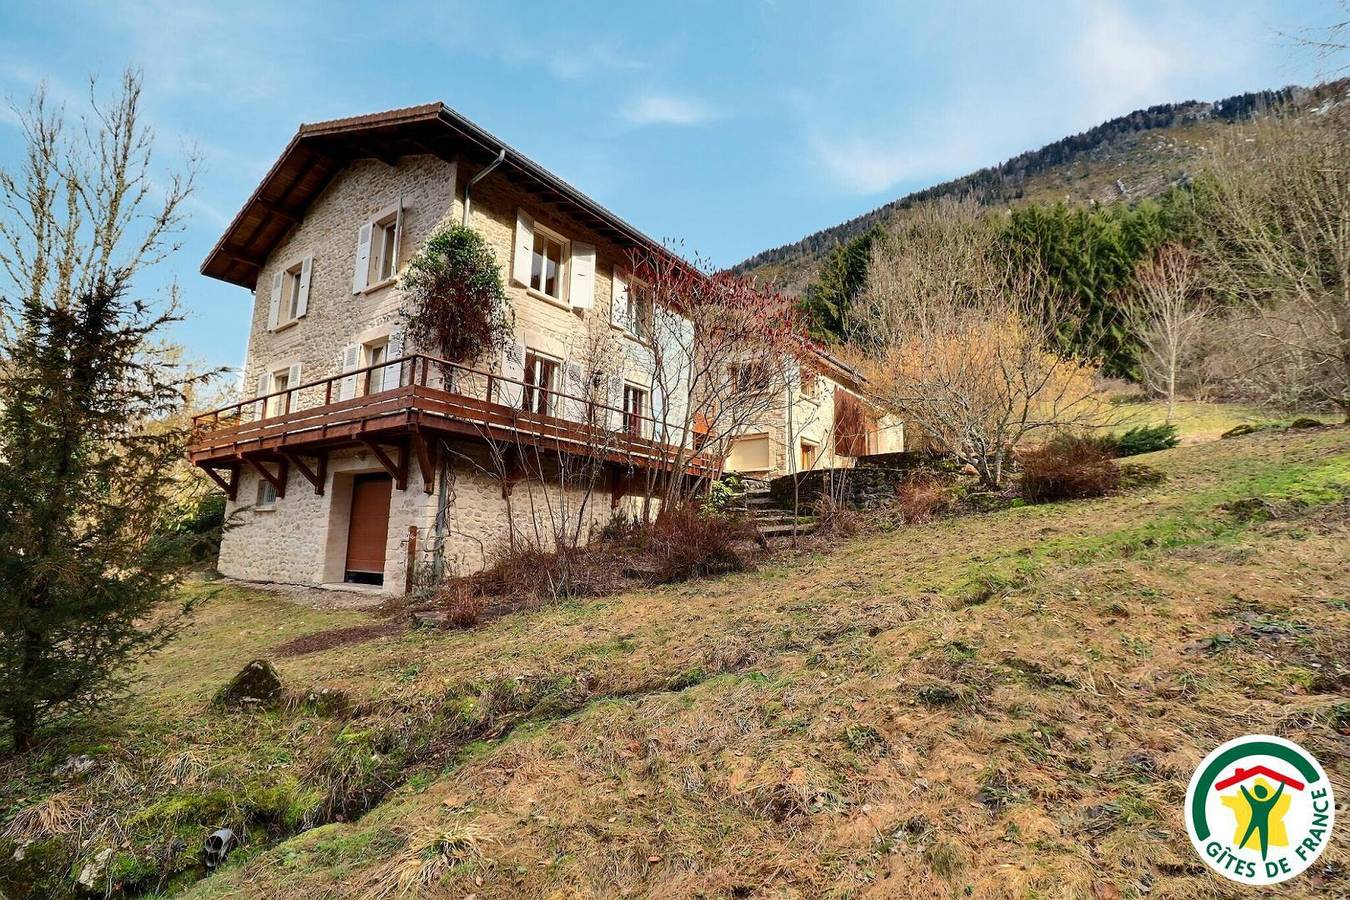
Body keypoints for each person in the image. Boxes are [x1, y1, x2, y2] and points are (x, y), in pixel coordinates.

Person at [1237, 780, 1285, 859]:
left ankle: (1241, 848)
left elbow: (1246, 794)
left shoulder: (1254, 802)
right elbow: (1277, 795)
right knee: (1263, 840)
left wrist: (1242, 786)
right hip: (1263, 823)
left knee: (1246, 837)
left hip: (1255, 821)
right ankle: (1264, 856)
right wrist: (1282, 785)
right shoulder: (1269, 803)